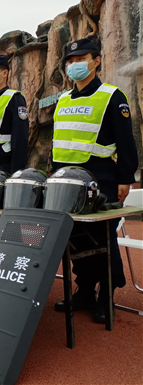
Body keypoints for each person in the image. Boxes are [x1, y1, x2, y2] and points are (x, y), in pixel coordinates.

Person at [52, 38, 139, 323]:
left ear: (96, 60)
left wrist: (125, 178)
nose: (74, 64)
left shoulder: (111, 96)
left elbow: (126, 142)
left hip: (101, 181)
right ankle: (85, 291)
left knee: (103, 239)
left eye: (81, 58)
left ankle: (106, 296)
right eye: (70, 60)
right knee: (76, 239)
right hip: (67, 185)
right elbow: (59, 142)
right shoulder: (63, 100)